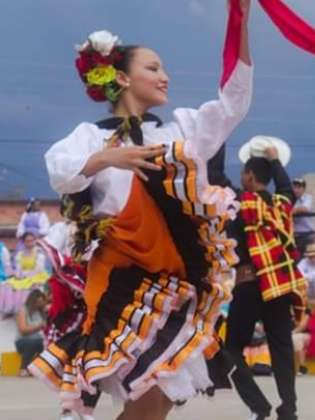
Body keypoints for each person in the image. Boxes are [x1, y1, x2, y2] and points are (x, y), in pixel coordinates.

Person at [31, 2, 253, 417]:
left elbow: (232, 105)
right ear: (121, 76)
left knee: (157, 403)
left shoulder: (179, 131)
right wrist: (109, 159)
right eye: (152, 67)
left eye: (163, 68)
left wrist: (242, 25)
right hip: (123, 281)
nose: (164, 76)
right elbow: (61, 172)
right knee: (148, 403)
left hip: (171, 278)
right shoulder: (89, 137)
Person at [226, 144, 307, 420]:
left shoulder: (239, 203)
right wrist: (274, 161)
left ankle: (259, 406)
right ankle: (289, 409)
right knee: (281, 346)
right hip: (278, 284)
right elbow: (285, 188)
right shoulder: (281, 205)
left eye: (243, 174)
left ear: (249, 175)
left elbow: (215, 178)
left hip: (249, 284)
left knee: (231, 350)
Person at [0, 232, 49, 316]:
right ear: (24, 242)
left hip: (36, 276)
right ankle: (9, 310)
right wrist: (18, 275)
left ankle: (23, 312)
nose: (29, 243)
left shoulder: (39, 253)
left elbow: (38, 269)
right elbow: (19, 267)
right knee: (7, 285)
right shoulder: (21, 254)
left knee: (25, 287)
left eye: (31, 240)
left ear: (35, 241)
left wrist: (26, 276)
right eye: (27, 241)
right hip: (23, 276)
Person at [15, 289, 47, 377]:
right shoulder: (23, 310)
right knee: (33, 342)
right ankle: (23, 368)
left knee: (49, 344)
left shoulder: (42, 312)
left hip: (40, 340)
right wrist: (40, 326)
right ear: (33, 301)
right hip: (23, 341)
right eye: (38, 302)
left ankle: (41, 370)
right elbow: (23, 330)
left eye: (42, 302)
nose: (40, 304)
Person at [292, 178, 314, 254]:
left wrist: (289, 211)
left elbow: (305, 209)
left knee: (308, 256)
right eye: (295, 187)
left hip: (306, 234)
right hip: (293, 235)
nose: (296, 190)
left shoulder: (308, 198)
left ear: (303, 189)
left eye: (299, 187)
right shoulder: (291, 199)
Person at [292, 308, 312, 376]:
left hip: (307, 335)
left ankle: (302, 367)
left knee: (296, 338)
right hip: (292, 335)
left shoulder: (306, 311)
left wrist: (291, 333)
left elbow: (302, 327)